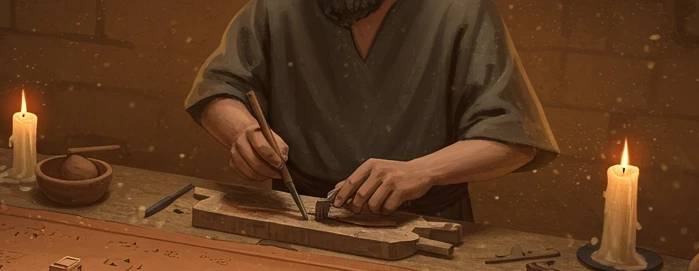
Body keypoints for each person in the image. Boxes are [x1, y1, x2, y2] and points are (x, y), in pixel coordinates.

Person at [185, 0, 558, 221]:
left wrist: (423, 170)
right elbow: (219, 88)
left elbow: (512, 137)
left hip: (425, 220)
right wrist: (242, 133)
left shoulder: (461, 10)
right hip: (299, 214)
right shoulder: (278, 6)